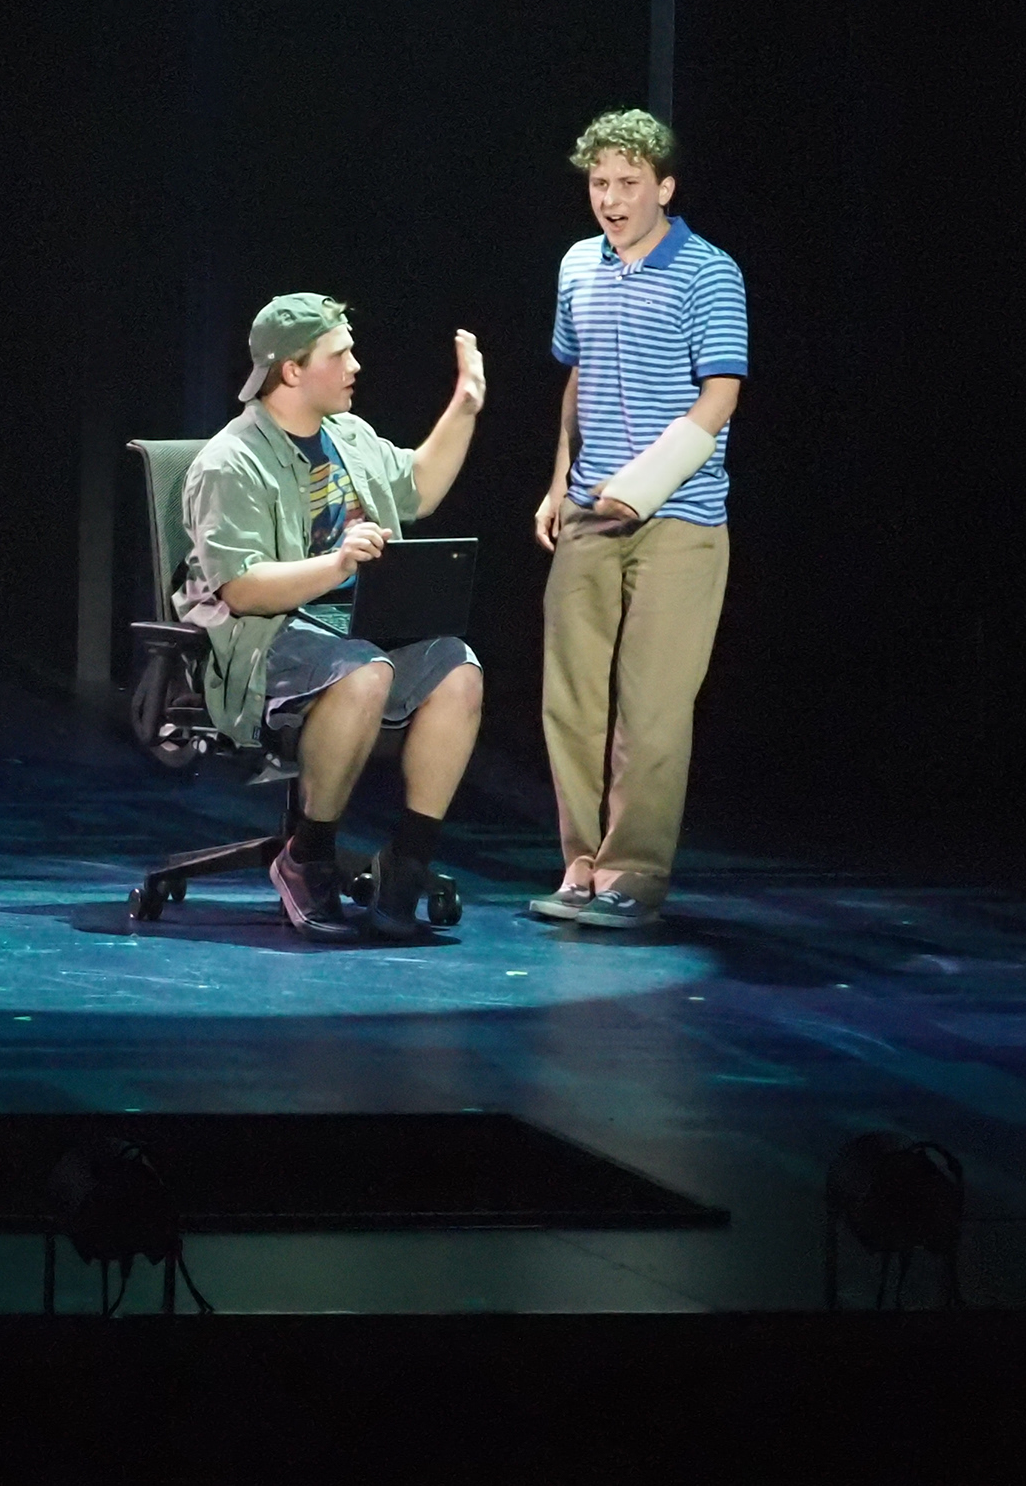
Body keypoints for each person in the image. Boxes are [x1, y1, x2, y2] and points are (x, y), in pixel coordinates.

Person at [176, 295, 490, 941]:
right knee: (363, 671)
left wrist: (464, 406)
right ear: (292, 370)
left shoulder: (347, 436)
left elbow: (419, 487)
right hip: (267, 640)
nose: (355, 366)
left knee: (457, 670)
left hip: (356, 629)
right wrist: (337, 563)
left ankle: (407, 861)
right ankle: (308, 855)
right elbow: (242, 589)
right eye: (339, 354)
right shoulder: (231, 461)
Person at [531, 108, 749, 932]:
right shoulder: (578, 266)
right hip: (589, 512)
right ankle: (581, 865)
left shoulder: (707, 272)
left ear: (665, 187)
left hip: (679, 519)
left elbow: (720, 395)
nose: (612, 199)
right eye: (600, 183)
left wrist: (648, 484)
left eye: (629, 183)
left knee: (652, 707)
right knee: (571, 702)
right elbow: (578, 376)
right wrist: (558, 484)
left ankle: (635, 873)